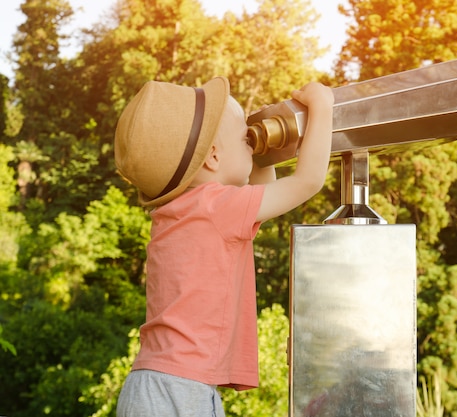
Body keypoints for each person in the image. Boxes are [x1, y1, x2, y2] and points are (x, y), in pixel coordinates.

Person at [114, 77, 334, 416]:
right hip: (181, 390)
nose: (252, 145)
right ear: (213, 157)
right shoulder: (218, 207)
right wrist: (322, 106)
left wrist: (263, 150)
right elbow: (307, 181)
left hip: (155, 384)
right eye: (246, 138)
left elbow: (262, 186)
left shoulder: (179, 212)